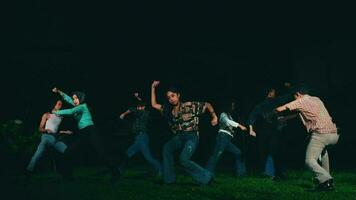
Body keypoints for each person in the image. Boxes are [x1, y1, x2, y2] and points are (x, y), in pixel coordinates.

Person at [151, 80, 218, 185]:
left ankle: (207, 177)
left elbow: (207, 104)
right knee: (167, 148)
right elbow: (154, 105)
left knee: (183, 159)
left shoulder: (189, 105)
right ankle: (169, 180)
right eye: (169, 98)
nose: (171, 99)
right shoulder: (169, 110)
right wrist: (153, 88)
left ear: (178, 95)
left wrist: (214, 116)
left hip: (192, 136)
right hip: (179, 137)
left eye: (173, 96)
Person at [276, 85, 339, 191]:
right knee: (323, 155)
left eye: (294, 97)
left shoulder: (300, 101)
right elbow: (301, 113)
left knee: (309, 160)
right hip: (334, 135)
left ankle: (326, 180)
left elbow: (279, 109)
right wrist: (286, 118)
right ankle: (324, 183)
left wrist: (271, 112)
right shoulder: (316, 99)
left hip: (321, 134)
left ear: (298, 94)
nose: (294, 99)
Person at [52, 87, 119, 180]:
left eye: (76, 98)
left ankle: (115, 172)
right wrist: (59, 91)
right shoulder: (76, 105)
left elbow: (71, 111)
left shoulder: (82, 106)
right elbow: (68, 98)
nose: (74, 100)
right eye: (73, 98)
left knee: (101, 152)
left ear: (81, 98)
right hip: (83, 133)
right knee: (69, 151)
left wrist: (56, 112)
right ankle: (67, 175)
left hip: (91, 131)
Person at [118, 92, 161, 176]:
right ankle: (119, 171)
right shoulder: (141, 112)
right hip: (138, 138)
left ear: (143, 107)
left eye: (139, 107)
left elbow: (132, 109)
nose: (137, 108)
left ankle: (160, 170)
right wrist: (138, 98)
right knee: (127, 154)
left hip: (142, 138)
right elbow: (140, 104)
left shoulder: (144, 113)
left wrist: (123, 114)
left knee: (148, 157)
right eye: (138, 106)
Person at [26, 99, 72, 173]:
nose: (61, 106)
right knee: (38, 154)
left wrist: (65, 132)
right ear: (54, 105)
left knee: (67, 151)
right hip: (46, 137)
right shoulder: (47, 115)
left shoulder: (60, 117)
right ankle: (28, 170)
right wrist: (46, 130)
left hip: (55, 138)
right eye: (59, 104)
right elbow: (40, 128)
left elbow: (56, 130)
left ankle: (66, 172)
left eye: (61, 104)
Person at [206, 100, 248, 177]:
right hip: (222, 137)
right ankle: (207, 173)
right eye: (232, 106)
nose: (233, 107)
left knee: (238, 152)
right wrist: (240, 126)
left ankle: (241, 173)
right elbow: (227, 122)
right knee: (216, 155)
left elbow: (231, 125)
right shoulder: (223, 114)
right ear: (227, 106)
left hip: (227, 139)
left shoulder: (230, 116)